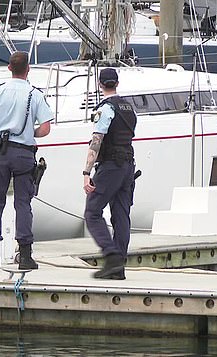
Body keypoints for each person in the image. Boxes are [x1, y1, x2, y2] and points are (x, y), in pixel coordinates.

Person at [0, 51, 53, 270]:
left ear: (9, 68)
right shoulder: (35, 94)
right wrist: (30, 132)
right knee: (23, 204)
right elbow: (46, 128)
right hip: (24, 154)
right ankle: (26, 255)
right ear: (28, 69)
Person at [82, 68, 137, 280]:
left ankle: (111, 255)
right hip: (128, 166)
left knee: (92, 212)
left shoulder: (105, 109)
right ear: (117, 83)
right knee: (121, 215)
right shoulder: (129, 108)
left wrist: (87, 171)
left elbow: (97, 141)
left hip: (111, 165)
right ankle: (119, 266)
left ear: (99, 84)